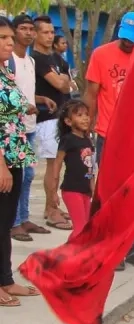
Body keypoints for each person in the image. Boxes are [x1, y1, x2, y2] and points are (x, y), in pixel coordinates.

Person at [83, 12, 134, 271]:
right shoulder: (101, 54)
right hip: (107, 135)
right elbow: (91, 94)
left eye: (133, 39)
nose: (128, 43)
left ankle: (133, 246)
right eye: (125, 37)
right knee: (109, 194)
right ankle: (112, 249)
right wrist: (85, 130)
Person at [0, 17, 40, 307]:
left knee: (4, 223)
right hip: (1, 159)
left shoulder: (5, 70)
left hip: (15, 154)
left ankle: (6, 279)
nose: (9, 43)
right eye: (2, 38)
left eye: (9, 38)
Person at [9, 14, 51, 242]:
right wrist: (23, 106)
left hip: (30, 125)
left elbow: (26, 92)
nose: (27, 33)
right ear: (15, 31)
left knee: (28, 175)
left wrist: (41, 99)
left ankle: (23, 217)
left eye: (30, 29)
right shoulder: (9, 61)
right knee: (19, 174)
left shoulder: (30, 61)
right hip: (14, 128)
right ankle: (14, 222)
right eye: (23, 29)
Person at [31, 15, 73, 231]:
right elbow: (60, 83)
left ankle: (52, 205)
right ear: (36, 34)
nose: (49, 36)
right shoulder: (37, 58)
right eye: (45, 32)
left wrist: (64, 83)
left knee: (59, 164)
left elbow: (69, 84)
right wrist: (64, 83)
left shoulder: (57, 59)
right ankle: (51, 208)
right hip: (46, 118)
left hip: (61, 117)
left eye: (51, 32)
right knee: (52, 164)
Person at [52, 100, 95, 241]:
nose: (85, 118)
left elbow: (90, 167)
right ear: (68, 122)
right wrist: (53, 192)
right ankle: (74, 259)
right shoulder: (68, 140)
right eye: (80, 115)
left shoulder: (88, 141)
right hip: (71, 190)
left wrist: (92, 188)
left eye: (87, 115)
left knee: (86, 227)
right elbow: (57, 164)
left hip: (85, 191)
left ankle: (67, 254)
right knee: (80, 229)